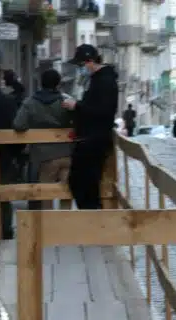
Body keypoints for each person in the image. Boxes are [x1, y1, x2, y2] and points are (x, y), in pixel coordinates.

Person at [62, 44, 118, 210]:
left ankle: (94, 222)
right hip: (89, 139)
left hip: (94, 141)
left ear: (90, 62)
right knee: (81, 184)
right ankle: (91, 220)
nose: (80, 69)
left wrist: (77, 106)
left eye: (81, 65)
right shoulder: (96, 80)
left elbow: (104, 111)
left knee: (85, 184)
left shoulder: (105, 81)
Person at [13, 69, 75, 211]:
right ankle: (65, 224)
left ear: (41, 83)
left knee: (46, 195)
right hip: (67, 154)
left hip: (43, 156)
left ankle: (48, 227)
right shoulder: (66, 101)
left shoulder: (30, 102)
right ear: (58, 84)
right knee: (67, 192)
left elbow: (18, 124)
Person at [0, 76, 19, 239]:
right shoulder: (8, 102)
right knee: (4, 194)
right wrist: (16, 153)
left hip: (5, 153)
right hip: (4, 154)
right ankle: (5, 229)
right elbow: (16, 127)